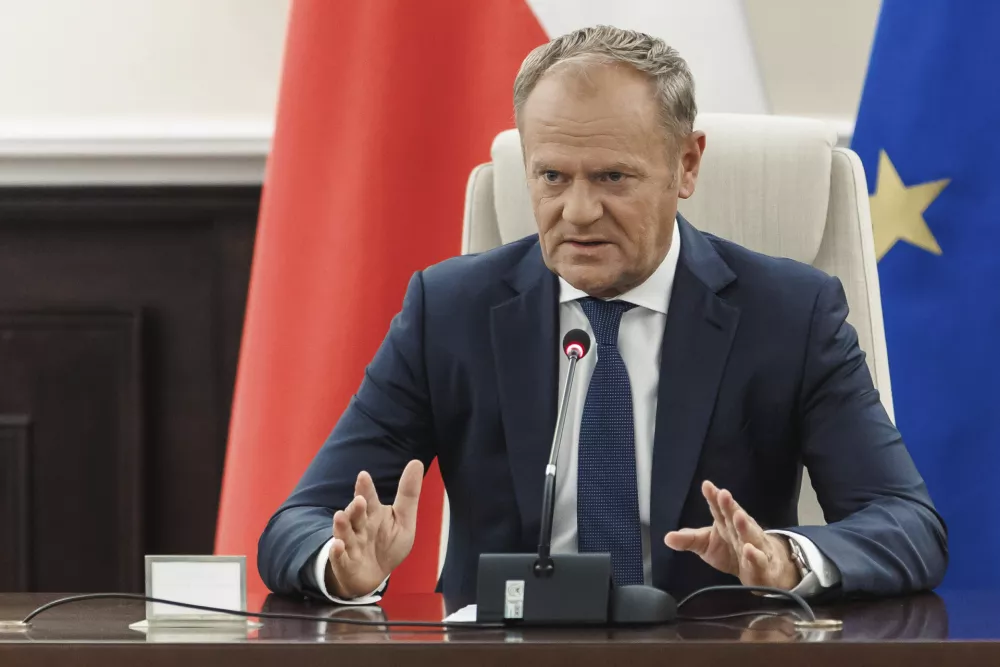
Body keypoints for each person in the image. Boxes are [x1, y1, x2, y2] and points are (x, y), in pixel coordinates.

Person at [257, 25, 947, 607]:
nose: (578, 211)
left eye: (611, 177)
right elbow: (296, 523)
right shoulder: (451, 311)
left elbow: (909, 525)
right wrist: (342, 566)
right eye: (552, 176)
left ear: (686, 164)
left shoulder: (788, 313)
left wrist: (786, 558)